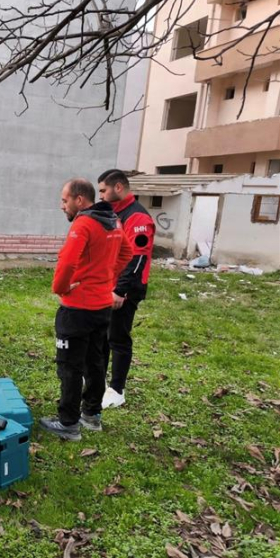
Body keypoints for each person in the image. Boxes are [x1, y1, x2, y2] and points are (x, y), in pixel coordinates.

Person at [38, 178, 132, 441]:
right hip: (101, 307)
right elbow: (127, 252)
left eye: (64, 200)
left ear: (80, 200)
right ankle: (91, 415)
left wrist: (62, 288)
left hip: (77, 308)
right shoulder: (112, 220)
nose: (62, 206)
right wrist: (105, 279)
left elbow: (67, 263)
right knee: (95, 362)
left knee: (70, 366)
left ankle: (68, 423)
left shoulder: (84, 223)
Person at [97, 169, 155, 409]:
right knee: (101, 337)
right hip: (107, 286)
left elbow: (138, 258)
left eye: (103, 190)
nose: (100, 195)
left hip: (125, 290)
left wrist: (121, 290)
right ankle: (97, 382)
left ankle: (117, 389)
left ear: (118, 187)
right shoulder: (112, 213)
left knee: (118, 338)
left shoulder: (138, 218)